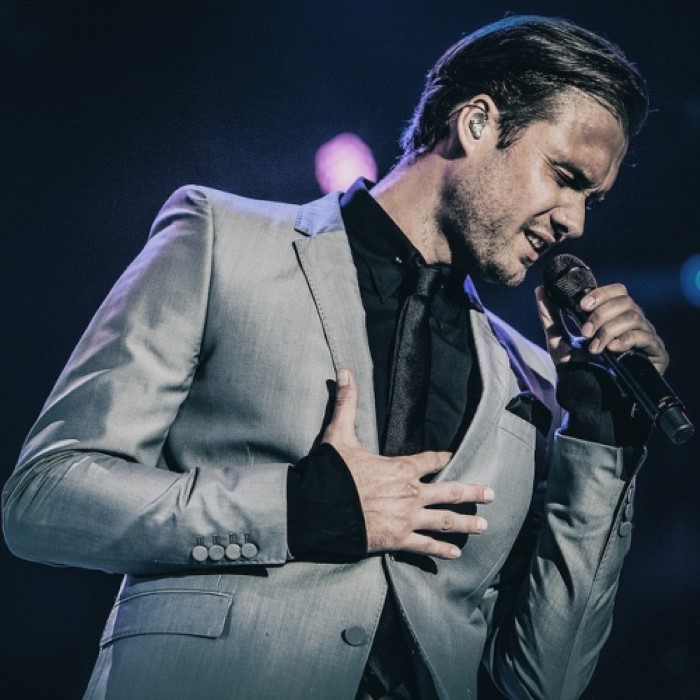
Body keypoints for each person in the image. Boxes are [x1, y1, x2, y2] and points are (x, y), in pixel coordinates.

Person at [2, 14, 666, 700]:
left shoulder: (533, 381)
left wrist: (600, 441)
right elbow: (45, 498)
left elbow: (544, 682)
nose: (574, 221)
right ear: (476, 123)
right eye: (564, 176)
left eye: (591, 199)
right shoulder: (220, 241)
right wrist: (296, 508)